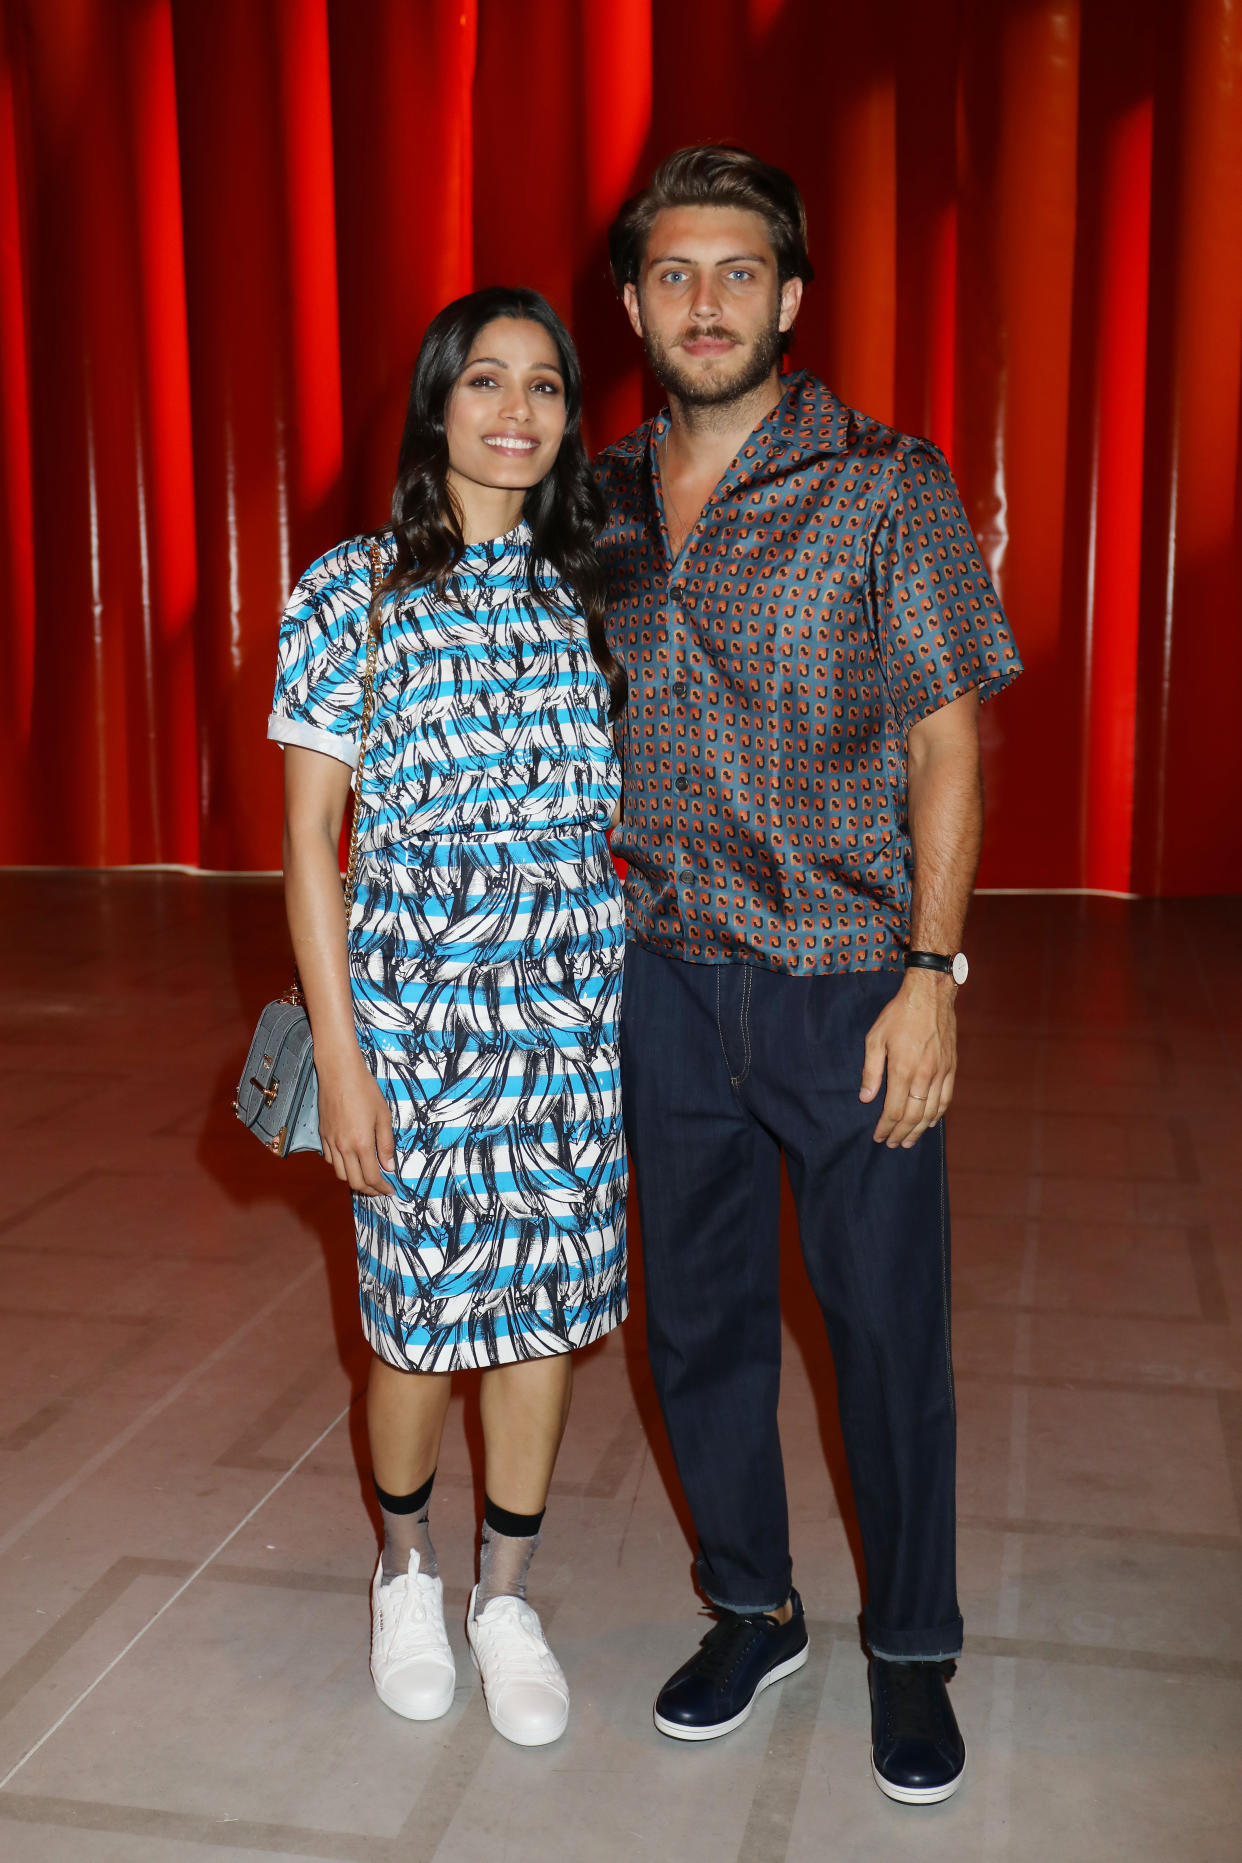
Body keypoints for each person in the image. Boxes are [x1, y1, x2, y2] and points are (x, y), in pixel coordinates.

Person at [596, 146, 1022, 1802]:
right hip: (663, 976)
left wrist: (934, 973)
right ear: (634, 303)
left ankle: (910, 1648)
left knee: (881, 1333)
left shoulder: (883, 483)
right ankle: (748, 1607)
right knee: (697, 1325)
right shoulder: (604, 499)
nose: (706, 302)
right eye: (674, 275)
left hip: (847, 976)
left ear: (789, 296)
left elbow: (945, 745)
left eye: (737, 272)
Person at [268, 286, 628, 1749]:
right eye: (486, 380)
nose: (517, 411)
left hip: (566, 1015)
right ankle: (407, 1569)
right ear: (435, 404)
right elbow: (309, 847)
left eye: (545, 385)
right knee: (416, 1326)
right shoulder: (349, 587)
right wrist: (342, 1061)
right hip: (412, 1014)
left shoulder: (596, 589)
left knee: (541, 1315)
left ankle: (508, 1597)